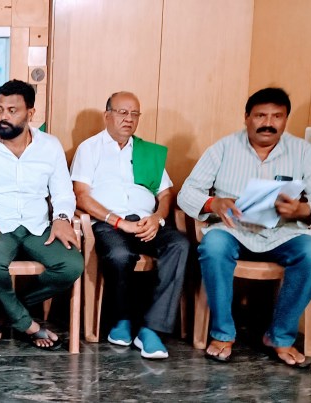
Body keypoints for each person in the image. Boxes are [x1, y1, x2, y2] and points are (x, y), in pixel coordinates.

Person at [177, 87, 311, 367]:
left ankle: (280, 337)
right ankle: (223, 334)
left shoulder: (303, 151)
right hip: (233, 229)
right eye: (260, 115)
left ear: (285, 119)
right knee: (213, 246)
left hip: (283, 233)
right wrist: (213, 203)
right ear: (246, 117)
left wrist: (302, 209)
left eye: (277, 116)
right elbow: (187, 193)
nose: (268, 123)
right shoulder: (224, 148)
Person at [0, 79, 84, 350]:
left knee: (71, 265)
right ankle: (29, 325)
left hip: (38, 226)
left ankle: (6, 317)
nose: (3, 116)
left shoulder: (50, 146)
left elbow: (63, 193)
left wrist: (62, 218)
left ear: (31, 113)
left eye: (12, 110)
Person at [71, 91, 189, 359]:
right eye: (123, 112)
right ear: (107, 115)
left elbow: (165, 194)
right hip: (108, 223)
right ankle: (122, 320)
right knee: (119, 254)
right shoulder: (90, 148)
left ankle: (151, 329)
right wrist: (119, 222)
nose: (129, 119)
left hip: (146, 221)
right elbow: (81, 196)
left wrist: (157, 218)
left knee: (180, 245)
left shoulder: (147, 152)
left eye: (135, 114)